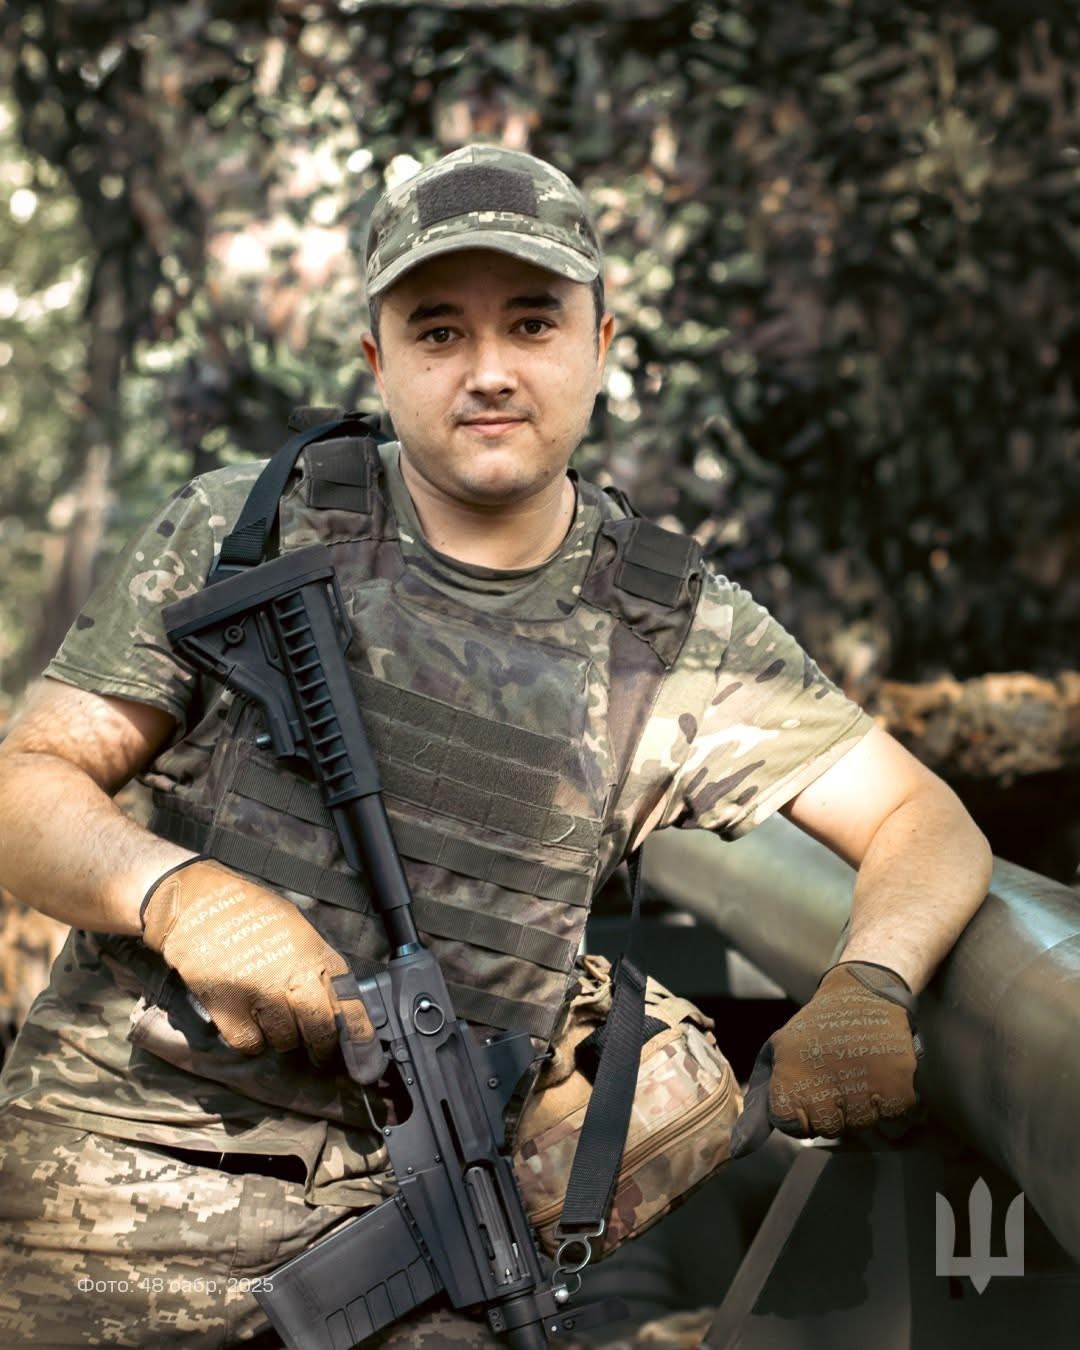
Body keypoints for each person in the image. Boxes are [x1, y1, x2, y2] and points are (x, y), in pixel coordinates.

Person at [0, 145, 992, 1348]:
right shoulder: (245, 532)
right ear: (377, 359)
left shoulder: (673, 629)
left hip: (424, 1227)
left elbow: (921, 822)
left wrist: (871, 981)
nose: (488, 371)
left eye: (532, 322)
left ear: (599, 346)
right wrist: (177, 896)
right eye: (438, 332)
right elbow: (26, 785)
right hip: (109, 1187)